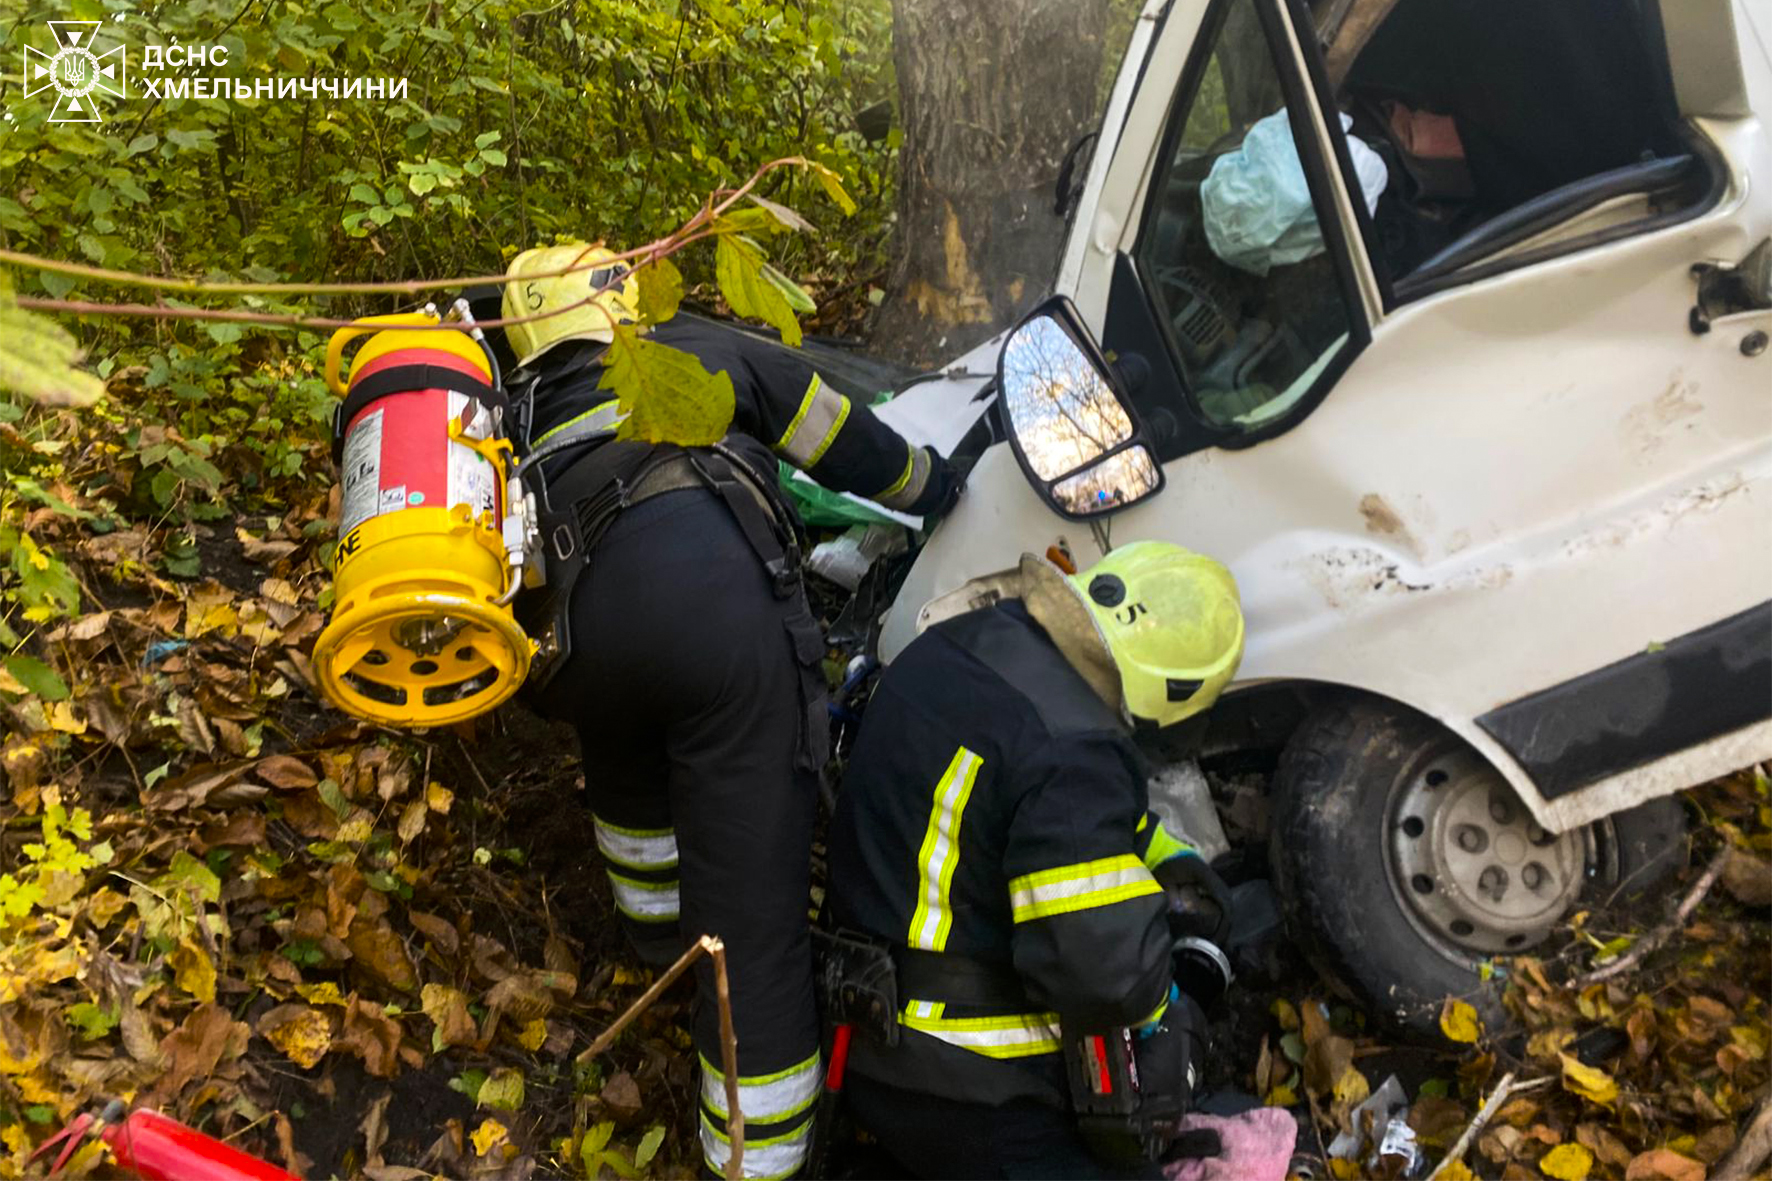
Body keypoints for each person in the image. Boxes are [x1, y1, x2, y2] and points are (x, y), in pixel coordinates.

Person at [493, 244, 958, 1178]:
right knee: (753, 914)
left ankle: (655, 940)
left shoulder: (500, 398)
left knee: (627, 739)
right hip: (712, 618)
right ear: (626, 298)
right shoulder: (692, 341)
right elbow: (839, 436)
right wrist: (936, 486)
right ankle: (763, 1156)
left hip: (566, 649)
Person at [826, 541, 1245, 1179]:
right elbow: (1103, 977)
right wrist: (1170, 1016)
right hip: (960, 1080)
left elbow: (1022, 802)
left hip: (850, 1018)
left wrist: (1165, 855)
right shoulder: (1075, 751)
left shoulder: (964, 643)